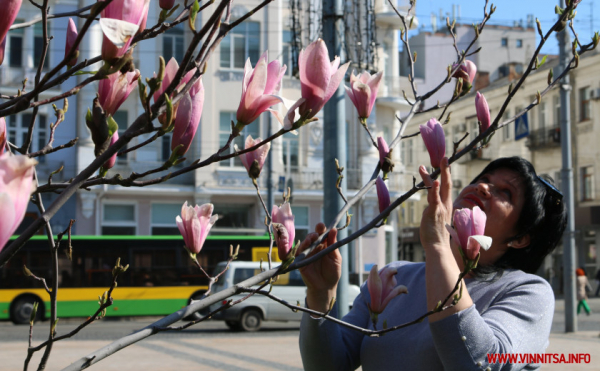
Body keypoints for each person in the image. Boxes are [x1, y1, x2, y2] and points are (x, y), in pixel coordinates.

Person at [298, 157, 567, 371]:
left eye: (505, 193)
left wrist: (438, 246)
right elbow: (329, 365)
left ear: (520, 239)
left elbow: (481, 364)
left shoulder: (528, 292)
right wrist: (321, 295)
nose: (482, 187)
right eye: (483, 179)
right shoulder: (395, 276)